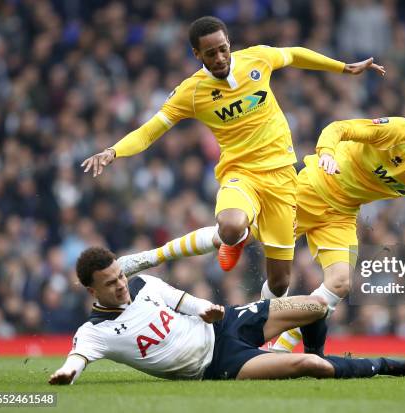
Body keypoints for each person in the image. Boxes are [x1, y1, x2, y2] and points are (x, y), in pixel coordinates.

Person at [128, 108, 405, 353]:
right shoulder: (399, 132)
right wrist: (327, 151)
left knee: (340, 285)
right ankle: (147, 258)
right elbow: (340, 128)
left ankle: (274, 350)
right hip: (310, 189)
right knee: (238, 233)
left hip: (342, 214)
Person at [80, 16, 385, 303]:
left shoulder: (258, 59)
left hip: (282, 178)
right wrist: (113, 151)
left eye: (223, 49)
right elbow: (150, 131)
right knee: (230, 225)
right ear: (197, 54)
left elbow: (293, 54)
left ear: (229, 43)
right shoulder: (193, 92)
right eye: (210, 53)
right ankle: (234, 238)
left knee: (279, 284)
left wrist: (344, 68)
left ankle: (259, 329)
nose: (220, 58)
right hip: (241, 174)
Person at [48, 247, 405, 384]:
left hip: (226, 322)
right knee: (307, 364)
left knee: (315, 307)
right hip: (217, 364)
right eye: (111, 283)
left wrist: (208, 308)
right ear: (91, 290)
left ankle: (328, 359)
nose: (121, 285)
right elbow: (77, 358)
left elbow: (182, 301)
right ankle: (387, 366)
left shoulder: (144, 284)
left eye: (120, 275)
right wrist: (68, 373)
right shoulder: (94, 331)